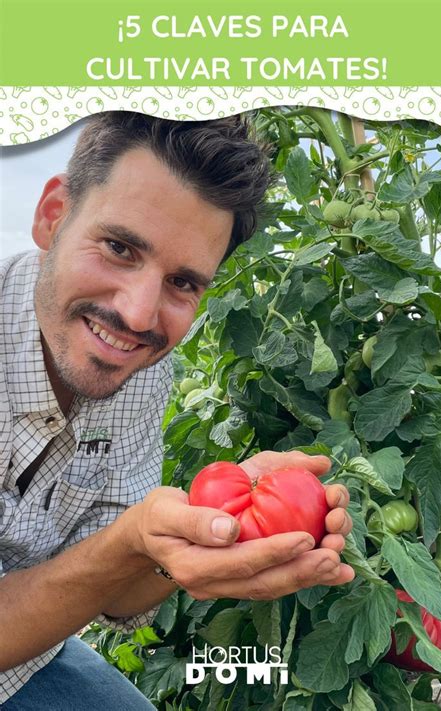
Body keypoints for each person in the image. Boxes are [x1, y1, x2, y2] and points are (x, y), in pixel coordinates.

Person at [0, 112, 354, 709]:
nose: (139, 316)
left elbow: (119, 597)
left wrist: (194, 537)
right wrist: (128, 542)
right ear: (53, 216)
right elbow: (111, 554)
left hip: (31, 655)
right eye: (118, 247)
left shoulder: (140, 367)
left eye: (183, 283)